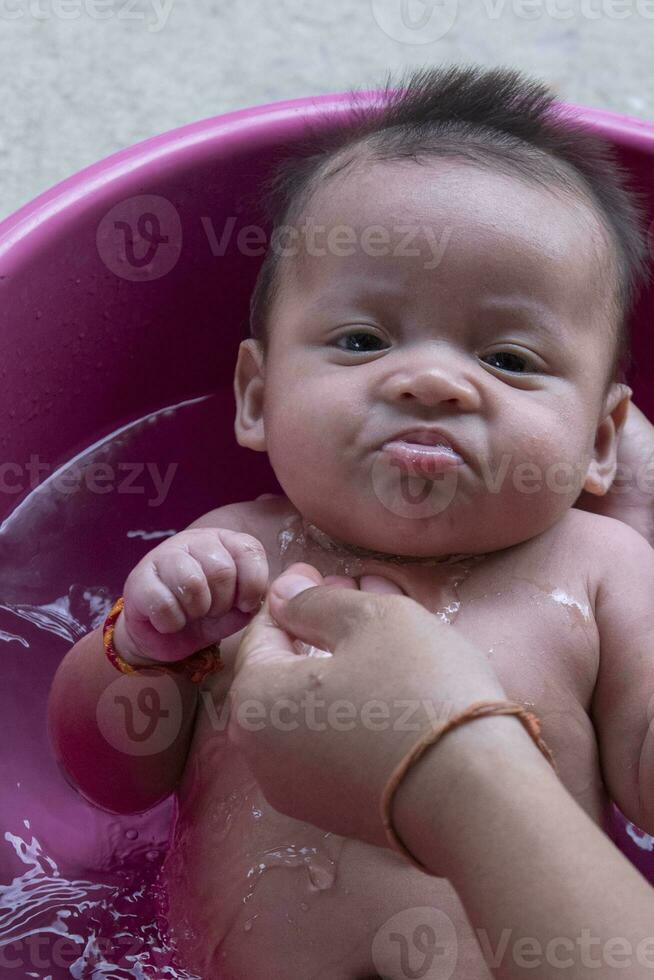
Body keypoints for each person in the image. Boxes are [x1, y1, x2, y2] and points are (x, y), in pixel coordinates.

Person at [48, 63, 654, 979]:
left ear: (604, 440)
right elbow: (110, 776)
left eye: (509, 356)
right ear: (257, 398)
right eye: (364, 340)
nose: (433, 382)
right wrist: (141, 645)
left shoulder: (607, 565)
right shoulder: (233, 559)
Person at [229, 560, 654, 980]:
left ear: (594, 483)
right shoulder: (241, 556)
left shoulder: (596, 561)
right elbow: (163, 781)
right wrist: (166, 653)